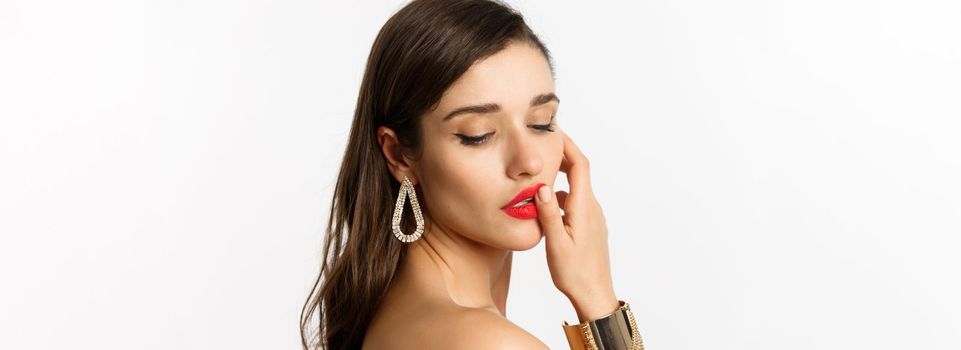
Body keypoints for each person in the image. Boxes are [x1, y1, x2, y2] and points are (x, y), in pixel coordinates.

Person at [301, 0, 644, 348]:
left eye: (541, 123)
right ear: (399, 154)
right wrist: (596, 295)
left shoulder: (396, 312)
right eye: (477, 134)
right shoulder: (487, 341)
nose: (529, 162)